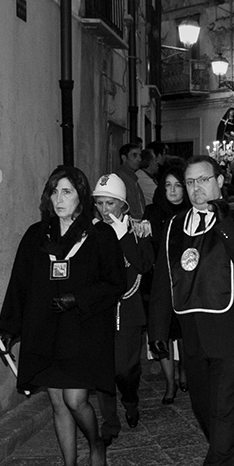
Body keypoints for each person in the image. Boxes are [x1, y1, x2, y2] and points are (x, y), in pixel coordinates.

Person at [0, 166, 125, 466]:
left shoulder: (100, 235)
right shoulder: (36, 236)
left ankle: (96, 444)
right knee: (57, 402)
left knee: (75, 398)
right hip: (47, 332)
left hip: (83, 330)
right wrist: (8, 330)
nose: (59, 199)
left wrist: (77, 298)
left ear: (81, 195)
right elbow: (20, 286)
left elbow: (115, 283)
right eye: (54, 192)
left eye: (66, 192)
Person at [148, 155, 234, 466]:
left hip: (231, 330)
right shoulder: (174, 226)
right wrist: (158, 329)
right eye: (190, 182)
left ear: (218, 181)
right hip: (193, 331)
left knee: (224, 408)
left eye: (203, 180)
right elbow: (163, 280)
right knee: (202, 406)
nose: (197, 189)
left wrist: (222, 223)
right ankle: (231, 445)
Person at [91, 174, 155, 446]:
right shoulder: (91, 231)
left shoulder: (139, 230)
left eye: (110, 204)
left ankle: (130, 401)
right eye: (100, 204)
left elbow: (145, 265)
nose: (105, 210)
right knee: (103, 370)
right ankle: (110, 422)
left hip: (129, 310)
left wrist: (123, 237)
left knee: (125, 370)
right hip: (100, 312)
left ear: (123, 206)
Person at [143, 160, 190, 402]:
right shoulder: (152, 213)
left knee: (183, 332)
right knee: (162, 333)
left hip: (185, 282)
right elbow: (146, 247)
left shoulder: (192, 213)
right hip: (158, 283)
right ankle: (169, 382)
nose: (172, 191)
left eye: (178, 185)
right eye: (168, 185)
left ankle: (184, 372)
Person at [116, 143, 147, 219]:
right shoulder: (119, 179)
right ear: (124, 158)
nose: (139, 159)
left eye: (140, 155)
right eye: (134, 155)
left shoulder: (133, 178)